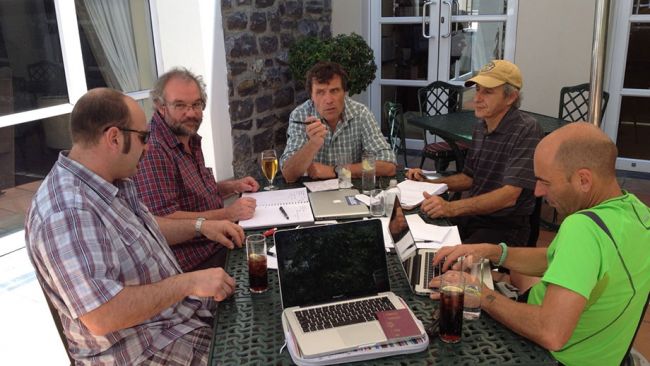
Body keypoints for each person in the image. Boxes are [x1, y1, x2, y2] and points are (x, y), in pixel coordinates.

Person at [25, 88, 245, 365]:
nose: (148, 146)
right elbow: (101, 315)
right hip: (141, 350)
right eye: (143, 137)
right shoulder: (66, 211)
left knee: (264, 306)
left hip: (178, 321)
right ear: (114, 138)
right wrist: (188, 282)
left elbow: (143, 229)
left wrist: (201, 226)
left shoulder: (110, 181)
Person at [430, 122, 650, 365]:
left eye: (545, 181)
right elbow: (561, 259)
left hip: (547, 355)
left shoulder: (584, 228)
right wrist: (492, 252)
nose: (536, 192)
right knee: (511, 272)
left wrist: (482, 295)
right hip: (606, 353)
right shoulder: (638, 213)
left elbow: (550, 332)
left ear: (584, 180)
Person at [133, 67, 259, 272]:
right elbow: (164, 220)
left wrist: (232, 186)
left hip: (218, 241)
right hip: (196, 261)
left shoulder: (187, 136)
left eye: (196, 104)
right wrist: (227, 213)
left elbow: (195, 194)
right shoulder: (154, 149)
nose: (191, 113)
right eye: (180, 105)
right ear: (160, 107)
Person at [408, 60, 543, 246]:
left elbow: (509, 196)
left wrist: (451, 208)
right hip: (473, 217)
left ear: (511, 97)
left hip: (504, 227)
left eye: (487, 92)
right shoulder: (481, 125)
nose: (477, 98)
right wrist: (431, 183)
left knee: (451, 263)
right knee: (415, 237)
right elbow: (470, 178)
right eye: (478, 89)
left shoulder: (526, 129)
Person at [280, 61, 397, 183]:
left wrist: (337, 171)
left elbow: (388, 165)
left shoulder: (360, 113)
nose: (329, 100)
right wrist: (313, 144)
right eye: (320, 92)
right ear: (311, 97)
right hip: (313, 195)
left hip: (351, 192)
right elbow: (289, 174)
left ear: (345, 92)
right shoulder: (300, 115)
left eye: (334, 91)